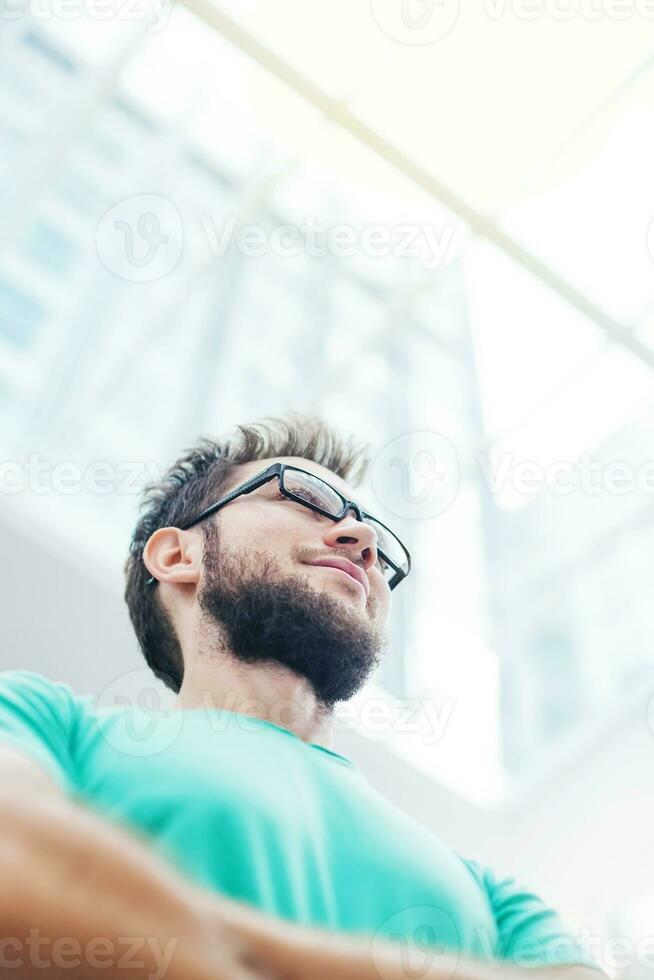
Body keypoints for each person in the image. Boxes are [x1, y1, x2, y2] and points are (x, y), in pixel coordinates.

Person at [0, 413, 599, 980]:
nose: (363, 538)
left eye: (379, 545)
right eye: (306, 497)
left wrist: (167, 933)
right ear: (178, 555)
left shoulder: (498, 899)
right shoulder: (44, 721)